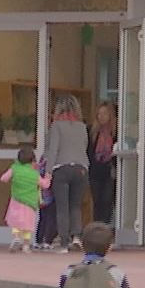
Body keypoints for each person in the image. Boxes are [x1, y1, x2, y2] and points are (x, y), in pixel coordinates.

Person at [43, 94, 91, 249]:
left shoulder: (56, 126)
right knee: (75, 206)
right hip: (80, 168)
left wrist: (48, 172)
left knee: (62, 207)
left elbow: (53, 150)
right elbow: (83, 147)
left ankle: (64, 241)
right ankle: (77, 236)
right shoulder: (82, 126)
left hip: (61, 168)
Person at [0, 145, 47, 252]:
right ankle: (26, 246)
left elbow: (3, 178)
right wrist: (48, 177)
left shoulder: (15, 169)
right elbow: (44, 185)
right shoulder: (34, 173)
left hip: (16, 200)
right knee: (27, 225)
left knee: (16, 222)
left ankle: (16, 238)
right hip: (30, 203)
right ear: (33, 160)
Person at [87, 101, 119, 227]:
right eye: (99, 114)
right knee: (96, 201)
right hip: (95, 171)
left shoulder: (116, 133)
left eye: (104, 113)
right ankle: (96, 228)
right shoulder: (91, 131)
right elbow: (89, 151)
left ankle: (104, 227)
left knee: (107, 200)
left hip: (109, 171)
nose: (101, 117)